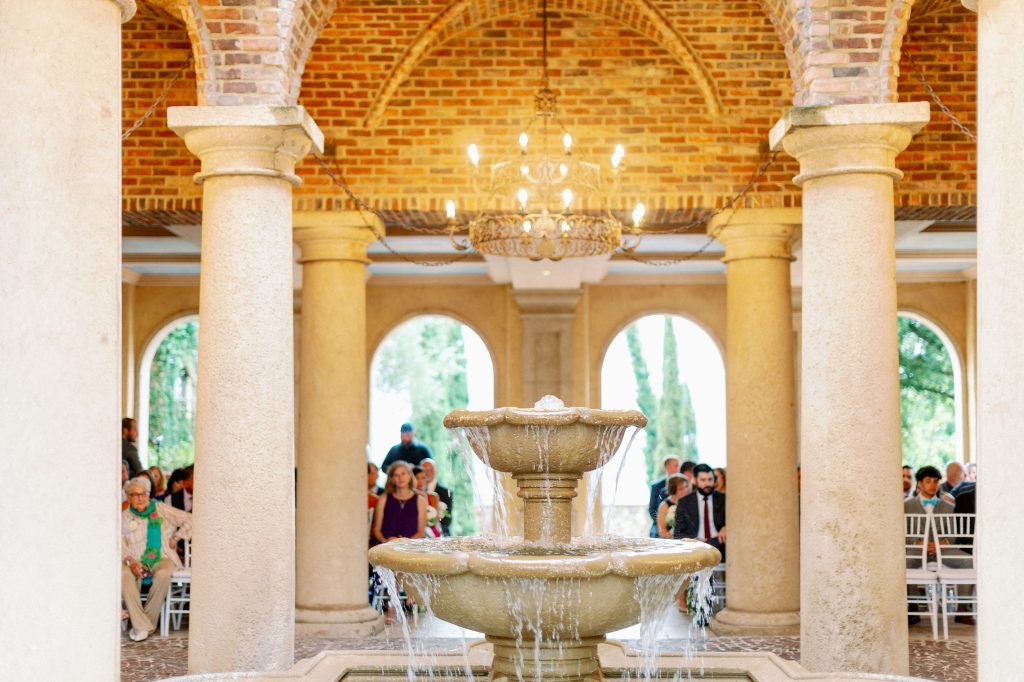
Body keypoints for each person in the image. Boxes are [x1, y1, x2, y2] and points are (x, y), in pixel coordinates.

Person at [121, 476, 192, 642]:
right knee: (124, 575)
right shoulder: (124, 517)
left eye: (143, 494)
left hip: (162, 557)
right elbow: (119, 542)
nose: (140, 498)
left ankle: (140, 626)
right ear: (128, 497)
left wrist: (176, 537)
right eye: (135, 494)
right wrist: (131, 561)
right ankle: (145, 626)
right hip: (133, 559)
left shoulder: (161, 508)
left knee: (163, 573)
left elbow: (189, 519)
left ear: (148, 494)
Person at [904, 465, 973, 625]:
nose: (933, 485)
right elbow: (904, 533)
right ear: (920, 483)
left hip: (943, 550)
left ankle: (962, 609)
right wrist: (917, 542)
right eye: (928, 481)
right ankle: (913, 608)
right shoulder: (906, 506)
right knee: (903, 563)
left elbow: (953, 535)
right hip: (917, 550)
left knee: (969, 561)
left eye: (935, 481)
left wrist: (940, 543)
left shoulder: (948, 507)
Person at [673, 463, 726, 560]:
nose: (707, 484)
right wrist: (693, 541)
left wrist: (726, 527)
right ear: (695, 480)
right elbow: (677, 533)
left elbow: (737, 522)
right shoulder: (684, 502)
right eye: (703, 480)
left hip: (719, 545)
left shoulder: (723, 499)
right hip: (694, 548)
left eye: (710, 479)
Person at [371, 460, 427, 545]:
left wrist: (404, 544)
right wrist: (385, 541)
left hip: (411, 548)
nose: (400, 478)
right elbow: (376, 529)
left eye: (403, 474)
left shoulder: (420, 501)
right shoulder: (383, 499)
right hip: (386, 547)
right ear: (392, 479)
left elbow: (420, 532)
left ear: (410, 475)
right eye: (396, 475)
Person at [647, 455, 681, 538]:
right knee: (658, 534)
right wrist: (662, 523)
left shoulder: (683, 485)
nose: (679, 469)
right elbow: (652, 510)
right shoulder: (656, 487)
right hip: (659, 524)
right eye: (676, 466)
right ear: (667, 467)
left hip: (679, 524)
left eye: (679, 466)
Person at [420, 459, 452, 535]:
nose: (427, 472)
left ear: (435, 471)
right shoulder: (414, 491)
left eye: (430, 469)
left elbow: (447, 520)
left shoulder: (446, 492)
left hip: (441, 534)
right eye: (424, 470)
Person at [656, 474, 690, 539]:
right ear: (673, 490)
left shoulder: (690, 502)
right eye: (681, 489)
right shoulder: (664, 506)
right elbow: (662, 531)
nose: (685, 490)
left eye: (686, 487)